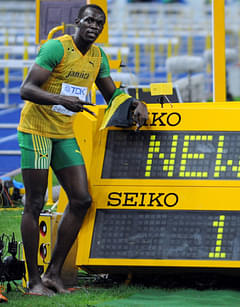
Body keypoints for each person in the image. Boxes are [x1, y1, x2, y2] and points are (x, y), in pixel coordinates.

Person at [18, 4, 148, 296]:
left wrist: (135, 103)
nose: (93, 26)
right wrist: (60, 99)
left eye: (99, 23)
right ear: (77, 21)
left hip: (63, 133)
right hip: (36, 131)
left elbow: (111, 94)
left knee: (81, 199)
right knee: (35, 203)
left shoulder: (98, 57)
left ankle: (53, 273)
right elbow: (26, 89)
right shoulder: (56, 48)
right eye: (89, 20)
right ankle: (34, 281)